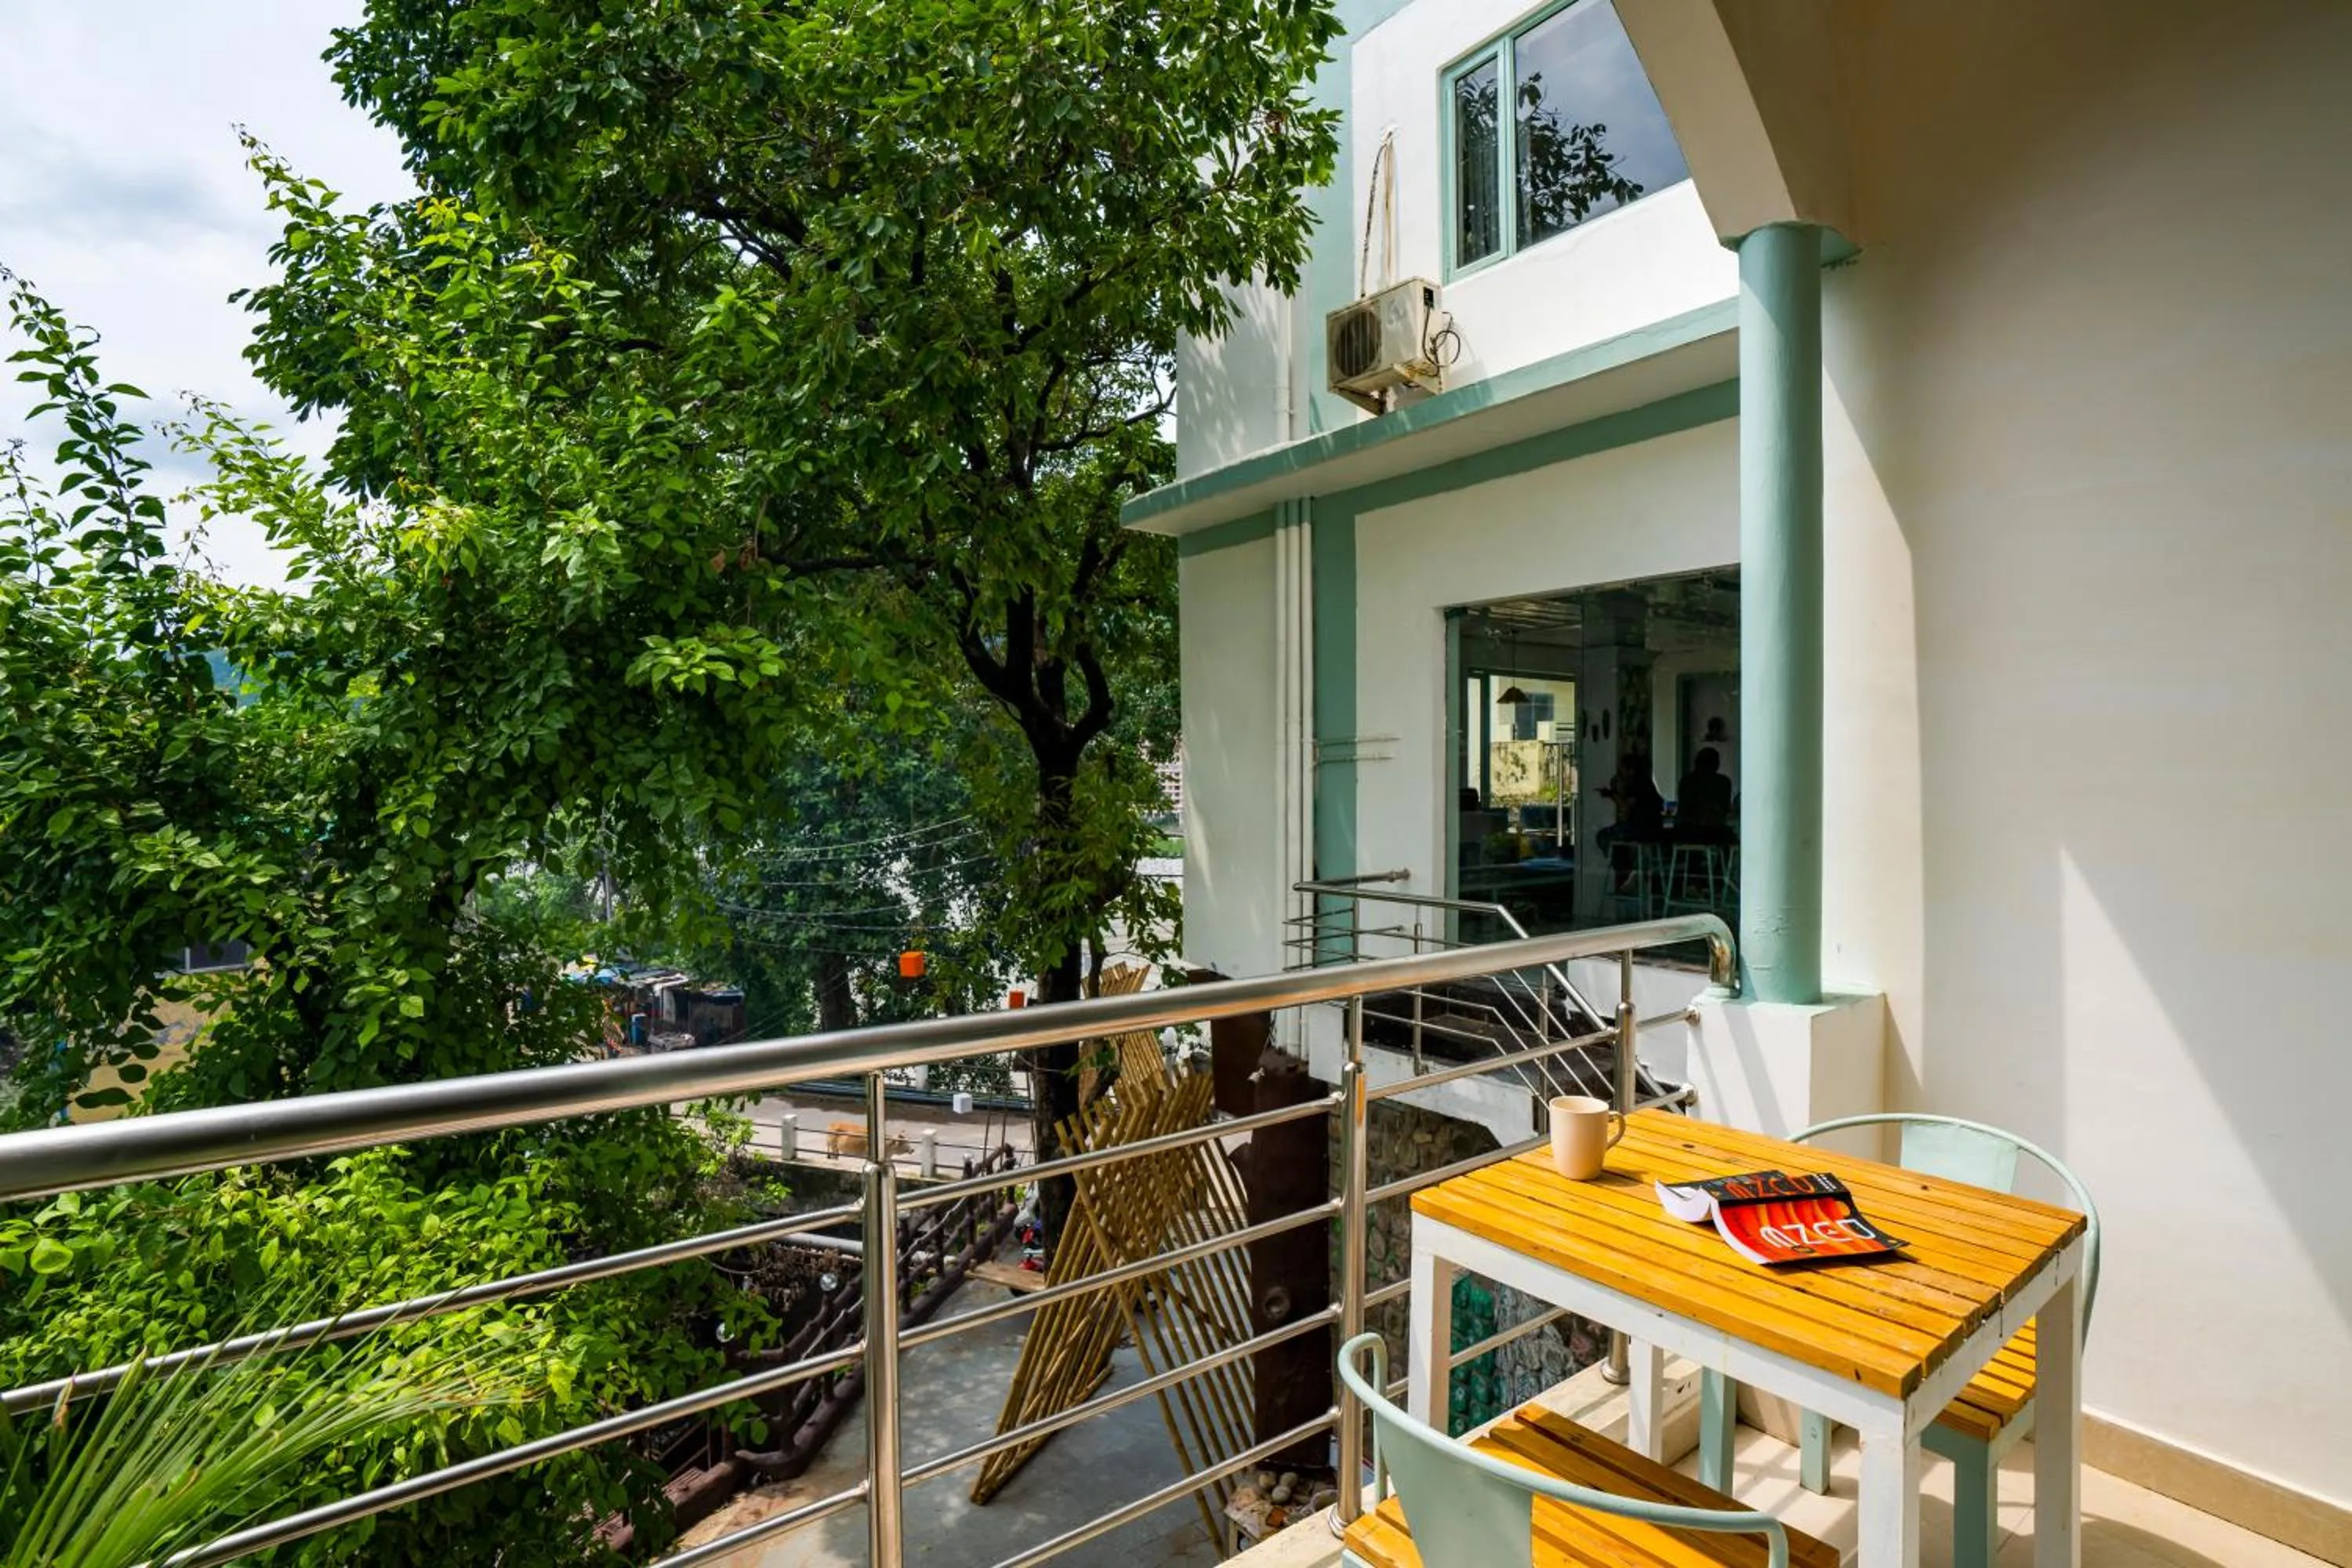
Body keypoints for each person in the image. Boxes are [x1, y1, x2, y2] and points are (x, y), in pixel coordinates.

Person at [1676, 746, 1734, 839]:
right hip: (1713, 832)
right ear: (1716, 764)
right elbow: (1725, 807)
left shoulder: (1686, 780)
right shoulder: (1723, 782)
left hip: (1685, 831)